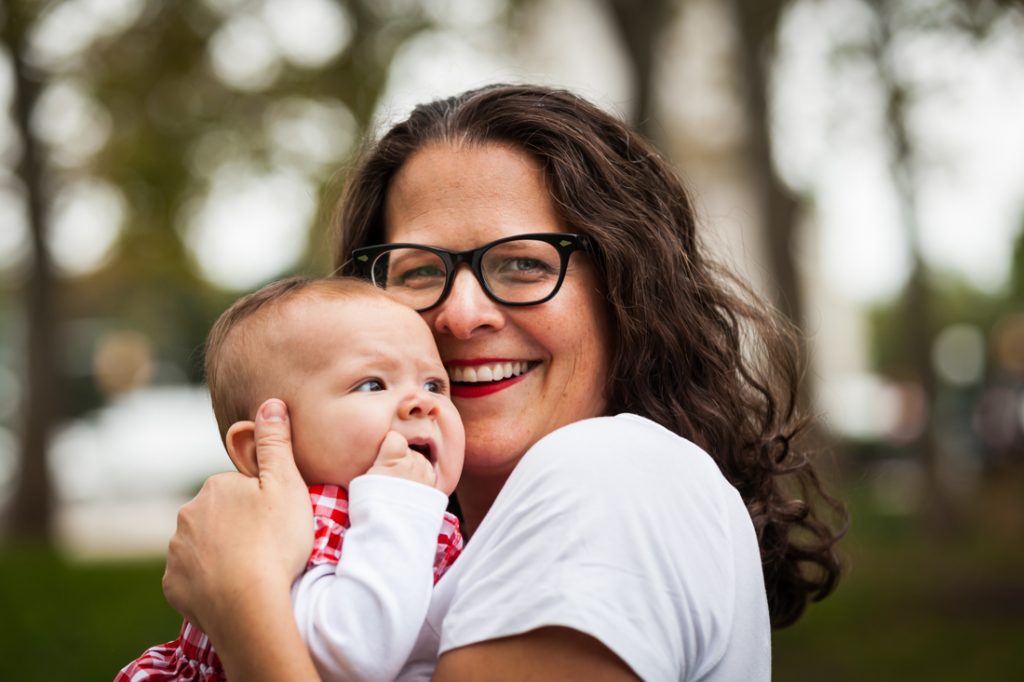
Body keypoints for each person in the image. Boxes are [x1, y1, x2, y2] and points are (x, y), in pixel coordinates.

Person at [162, 84, 846, 681]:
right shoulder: (403, 549)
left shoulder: (607, 475)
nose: (462, 315)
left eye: (523, 264)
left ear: (626, 292)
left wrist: (245, 603)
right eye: (419, 270)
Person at [118, 277, 465, 682]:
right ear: (265, 449)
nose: (422, 402)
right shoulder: (305, 529)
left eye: (434, 384)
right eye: (372, 384)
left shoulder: (426, 522)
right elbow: (349, 657)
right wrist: (398, 504)